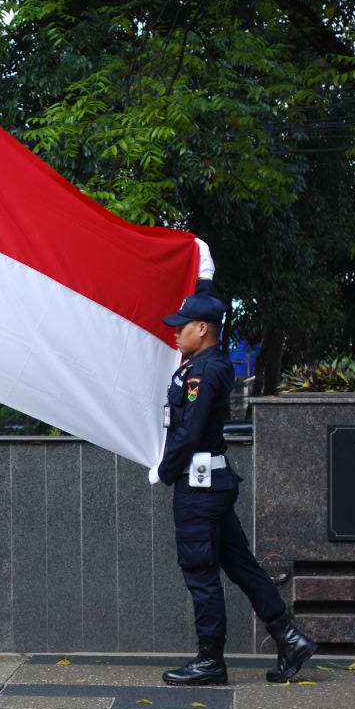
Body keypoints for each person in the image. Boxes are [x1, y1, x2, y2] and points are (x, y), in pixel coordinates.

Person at [149, 281, 316, 686]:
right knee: (241, 565)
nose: (176, 332)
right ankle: (289, 638)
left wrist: (165, 470)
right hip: (213, 483)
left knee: (201, 571)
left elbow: (189, 432)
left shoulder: (205, 370)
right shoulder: (203, 366)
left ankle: (210, 660)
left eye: (182, 326)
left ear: (202, 328)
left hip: (199, 486)